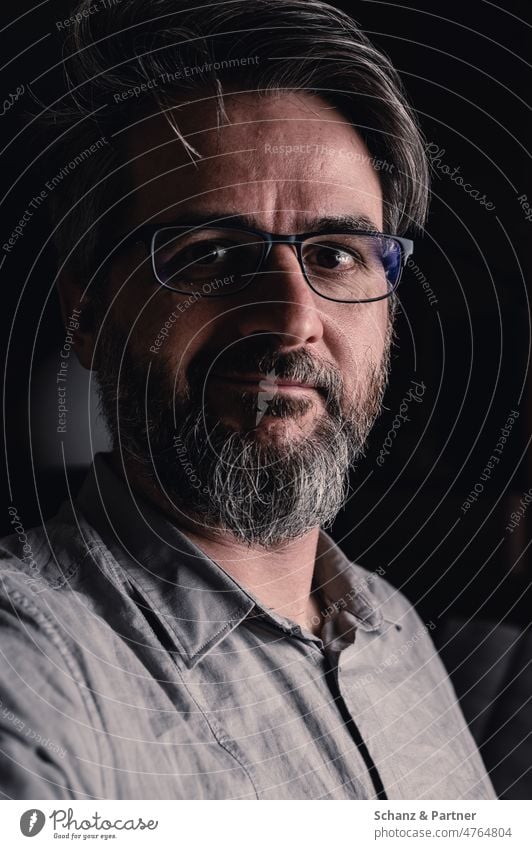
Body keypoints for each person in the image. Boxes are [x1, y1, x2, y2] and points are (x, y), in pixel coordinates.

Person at [0, 0, 495, 800]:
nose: (295, 316)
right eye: (213, 255)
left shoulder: (394, 630)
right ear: (86, 313)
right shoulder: (32, 672)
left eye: (336, 255)